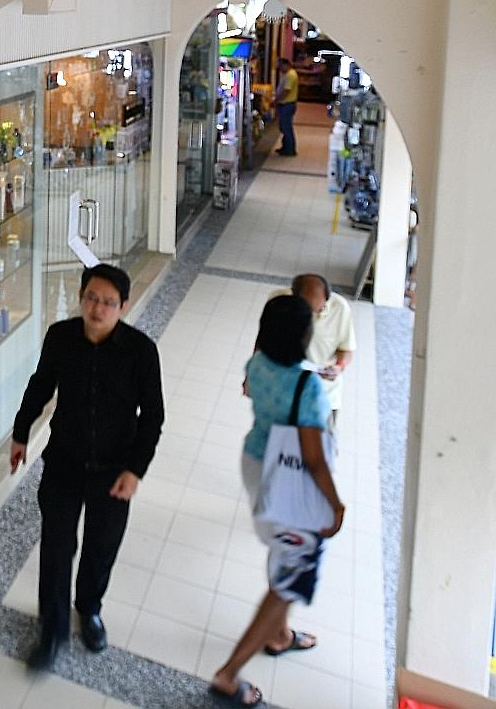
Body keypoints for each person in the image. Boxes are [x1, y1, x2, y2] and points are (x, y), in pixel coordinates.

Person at [9, 263, 165, 670]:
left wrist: (136, 470)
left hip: (115, 470)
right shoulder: (61, 337)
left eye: (108, 303)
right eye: (91, 299)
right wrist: (21, 431)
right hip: (64, 462)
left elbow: (153, 417)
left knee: (101, 546)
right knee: (57, 548)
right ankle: (53, 630)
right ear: (81, 298)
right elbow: (41, 384)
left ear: (124, 306)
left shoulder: (141, 351)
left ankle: (90, 608)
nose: (98, 309)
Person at [210, 295, 346, 707]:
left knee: (282, 555)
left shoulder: (257, 365)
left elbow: (254, 395)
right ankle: (228, 676)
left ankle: (279, 635)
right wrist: (334, 505)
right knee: (289, 581)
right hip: (293, 483)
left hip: (257, 464)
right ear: (306, 335)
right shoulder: (309, 388)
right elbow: (313, 457)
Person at [271, 273, 357, 430]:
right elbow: (264, 337)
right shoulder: (279, 302)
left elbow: (346, 349)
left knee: (318, 448)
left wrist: (339, 366)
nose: (314, 315)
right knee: (280, 444)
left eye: (320, 308)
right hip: (285, 390)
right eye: (308, 310)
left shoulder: (340, 308)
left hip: (324, 394)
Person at [274, 57, 299, 156]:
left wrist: (277, 100)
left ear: (286, 65)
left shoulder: (291, 75)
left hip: (287, 104)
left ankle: (290, 150)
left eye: (280, 66)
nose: (279, 68)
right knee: (284, 127)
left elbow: (286, 91)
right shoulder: (287, 74)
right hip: (286, 104)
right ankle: (286, 147)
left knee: (286, 127)